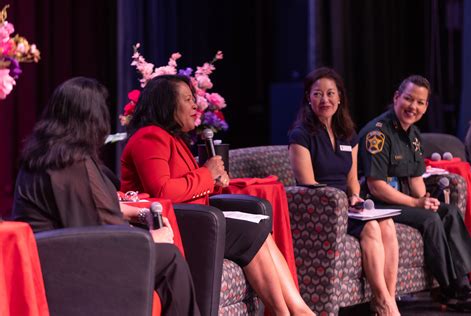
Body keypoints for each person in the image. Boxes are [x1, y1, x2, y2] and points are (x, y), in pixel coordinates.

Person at [121, 74, 315, 316]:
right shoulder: (149, 137)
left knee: (259, 224)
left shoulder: (174, 139)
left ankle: (298, 309)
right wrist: (206, 173)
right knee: (251, 229)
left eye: (194, 98)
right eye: (187, 99)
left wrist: (212, 181)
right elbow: (163, 192)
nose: (195, 105)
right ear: (166, 104)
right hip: (176, 226)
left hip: (196, 219)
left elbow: (187, 186)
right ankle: (285, 312)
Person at [11, 77, 201, 316]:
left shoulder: (51, 153)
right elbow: (91, 232)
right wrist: (153, 239)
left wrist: (138, 215)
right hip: (61, 264)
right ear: (92, 118)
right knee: (170, 258)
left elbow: (91, 209)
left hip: (51, 255)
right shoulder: (69, 162)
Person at [287, 67, 400, 316]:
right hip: (322, 208)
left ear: (340, 98)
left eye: (330, 93)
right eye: (317, 94)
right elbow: (307, 185)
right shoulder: (301, 136)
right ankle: (382, 301)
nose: (324, 100)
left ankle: (388, 299)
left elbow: (352, 179)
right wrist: (340, 202)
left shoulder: (348, 134)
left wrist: (354, 196)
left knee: (387, 224)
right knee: (371, 227)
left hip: (348, 206)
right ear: (308, 98)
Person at [358, 75, 471, 312]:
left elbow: (415, 178)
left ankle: (464, 283)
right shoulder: (377, 133)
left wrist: (426, 200)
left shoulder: (414, 136)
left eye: (420, 102)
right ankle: (449, 289)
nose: (413, 107)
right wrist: (416, 202)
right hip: (378, 204)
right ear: (396, 97)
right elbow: (376, 186)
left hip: (404, 202)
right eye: (408, 99)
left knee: (448, 211)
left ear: (426, 107)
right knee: (430, 219)